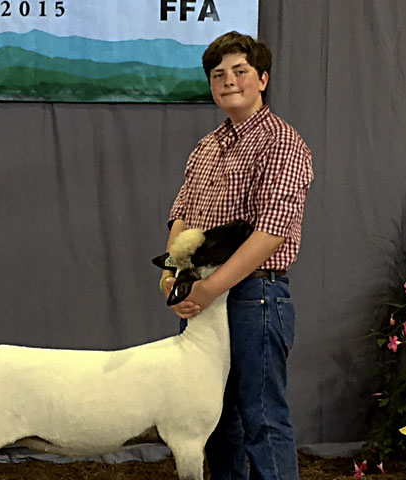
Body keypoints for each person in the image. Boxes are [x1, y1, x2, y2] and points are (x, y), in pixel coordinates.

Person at [158, 31, 314, 480]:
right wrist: (172, 276)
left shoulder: (281, 142)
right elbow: (181, 218)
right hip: (202, 297)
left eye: (240, 71)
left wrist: (209, 288)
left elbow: (271, 233)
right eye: (218, 74)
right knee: (214, 416)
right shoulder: (207, 147)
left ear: (262, 79)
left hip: (253, 296)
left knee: (262, 415)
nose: (228, 81)